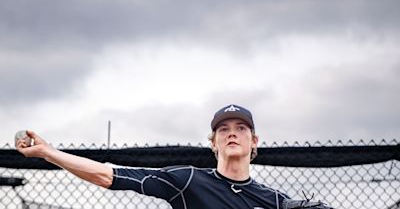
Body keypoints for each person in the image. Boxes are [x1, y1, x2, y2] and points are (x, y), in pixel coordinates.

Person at [16, 104, 330, 209]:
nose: (231, 133)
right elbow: (106, 174)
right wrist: (48, 152)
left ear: (254, 141)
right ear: (214, 143)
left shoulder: (275, 201)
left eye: (240, 128)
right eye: (223, 129)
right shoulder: (187, 181)